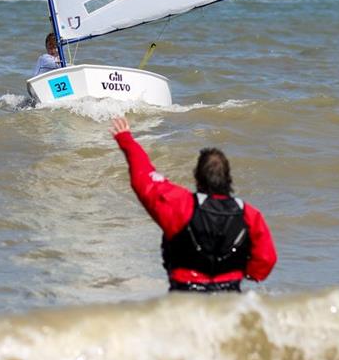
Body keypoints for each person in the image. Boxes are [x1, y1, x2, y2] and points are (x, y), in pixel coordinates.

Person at [111, 117, 277, 292]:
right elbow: (267, 259)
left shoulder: (181, 206)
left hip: (186, 299)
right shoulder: (250, 215)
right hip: (229, 299)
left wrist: (126, 140)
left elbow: (144, 178)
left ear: (197, 178)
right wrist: (247, 273)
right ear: (228, 179)